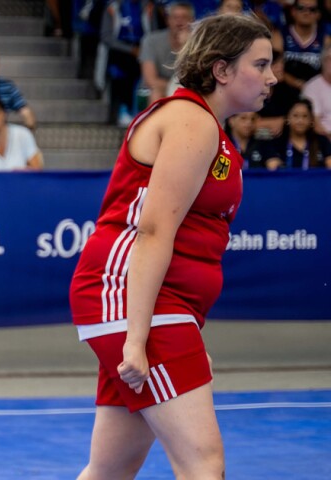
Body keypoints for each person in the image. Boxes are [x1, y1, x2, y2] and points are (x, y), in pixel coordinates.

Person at [69, 14, 276, 480]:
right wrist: (138, 339)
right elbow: (154, 231)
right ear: (222, 70)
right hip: (135, 299)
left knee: (111, 469)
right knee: (204, 464)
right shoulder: (189, 120)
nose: (272, 77)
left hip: (154, 304)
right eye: (260, 64)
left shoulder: (209, 129)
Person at [140, 1, 194, 103]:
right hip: (163, 87)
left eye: (184, 17)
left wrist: (185, 47)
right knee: (156, 93)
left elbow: (196, 77)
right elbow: (150, 80)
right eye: (175, 17)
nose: (179, 22)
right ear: (168, 20)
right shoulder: (151, 40)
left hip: (190, 89)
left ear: (192, 20)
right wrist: (174, 88)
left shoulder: (199, 42)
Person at [256, 99, 331, 170]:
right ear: (288, 119)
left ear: (311, 120)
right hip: (285, 183)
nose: (300, 121)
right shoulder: (277, 143)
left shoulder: (322, 141)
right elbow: (273, 167)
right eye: (295, 116)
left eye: (305, 116)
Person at [270, 0, 327, 91]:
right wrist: (297, 83)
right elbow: (273, 68)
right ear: (293, 11)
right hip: (283, 90)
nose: (306, 12)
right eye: (301, 8)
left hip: (316, 90)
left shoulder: (326, 40)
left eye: (312, 9)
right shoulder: (279, 36)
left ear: (318, 14)